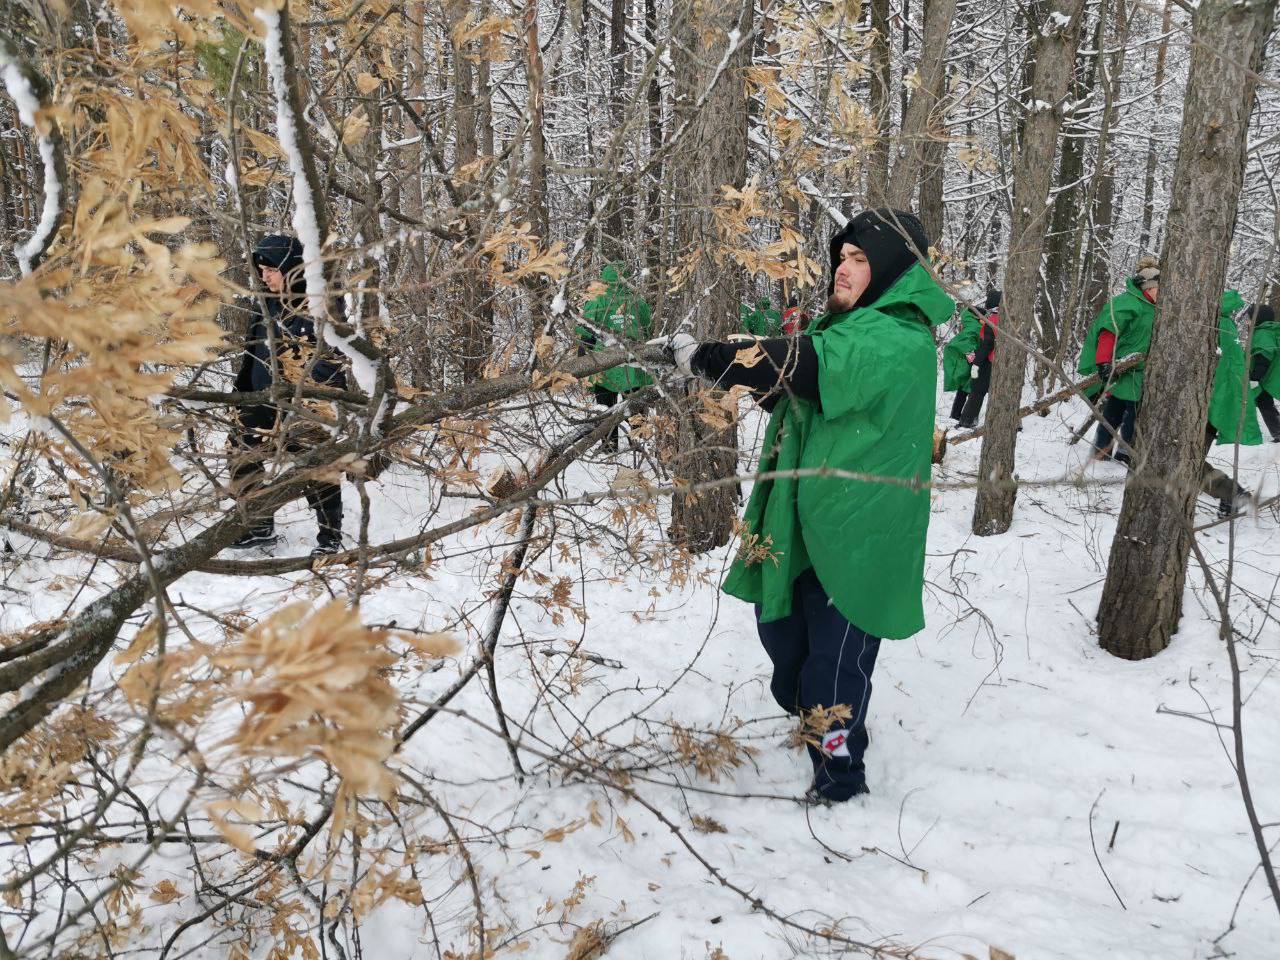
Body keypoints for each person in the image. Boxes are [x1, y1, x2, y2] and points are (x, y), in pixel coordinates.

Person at [658, 209, 952, 804]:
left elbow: (801, 367)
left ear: (893, 268)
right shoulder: (855, 330)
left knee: (835, 667)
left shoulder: (898, 338)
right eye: (842, 257)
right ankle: (818, 722)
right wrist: (731, 377)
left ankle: (840, 776)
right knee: (785, 638)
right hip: (814, 519)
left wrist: (708, 357)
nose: (842, 269)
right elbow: (806, 395)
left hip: (861, 535)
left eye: (860, 259)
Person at [230, 234, 347, 555]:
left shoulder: (319, 304)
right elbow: (254, 349)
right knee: (243, 457)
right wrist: (243, 391)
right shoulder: (266, 301)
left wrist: (306, 401)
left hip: (306, 403)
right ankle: (258, 525)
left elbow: (328, 359)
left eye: (271, 270)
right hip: (259, 399)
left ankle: (330, 536)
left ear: (291, 268)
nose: (264, 277)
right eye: (261, 271)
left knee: (317, 468)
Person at [1078, 258, 1159, 463]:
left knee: (1126, 412)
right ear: (1148, 288)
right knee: (1121, 413)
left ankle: (1118, 453)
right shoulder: (1129, 303)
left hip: (1138, 373)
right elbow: (1108, 331)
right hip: (1123, 370)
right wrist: (1104, 362)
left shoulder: (1152, 307)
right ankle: (1110, 453)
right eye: (1158, 288)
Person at [576, 263, 653, 451]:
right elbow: (649, 329)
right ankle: (640, 443)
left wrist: (583, 353)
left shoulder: (597, 300)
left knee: (606, 407)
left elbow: (585, 329)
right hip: (634, 364)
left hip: (605, 363)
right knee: (636, 405)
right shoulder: (637, 300)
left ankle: (609, 444)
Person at [1204, 290, 1259, 518]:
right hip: (1214, 402)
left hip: (1207, 404)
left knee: (1185, 461)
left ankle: (1233, 495)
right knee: (1186, 460)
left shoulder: (1217, 327)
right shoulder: (1226, 327)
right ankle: (1233, 495)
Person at [956, 289, 1001, 428]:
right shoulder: (1008, 319)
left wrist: (975, 362)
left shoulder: (992, 321)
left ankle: (967, 421)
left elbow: (987, 345)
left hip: (988, 363)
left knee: (977, 391)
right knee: (1003, 392)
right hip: (1002, 363)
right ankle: (1014, 424)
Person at [942, 299, 982, 421]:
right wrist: (972, 356)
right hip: (970, 361)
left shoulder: (971, 323)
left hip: (966, 361)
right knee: (967, 388)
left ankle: (957, 414)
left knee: (964, 388)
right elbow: (966, 342)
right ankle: (960, 415)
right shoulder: (974, 326)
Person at [1247, 303, 1280, 442]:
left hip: (1264, 377)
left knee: (1262, 402)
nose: (1247, 322)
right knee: (1264, 402)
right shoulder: (1268, 330)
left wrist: (1254, 378)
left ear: (1258, 318)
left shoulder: (1262, 333)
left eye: (1249, 318)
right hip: (1266, 376)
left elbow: (1263, 358)